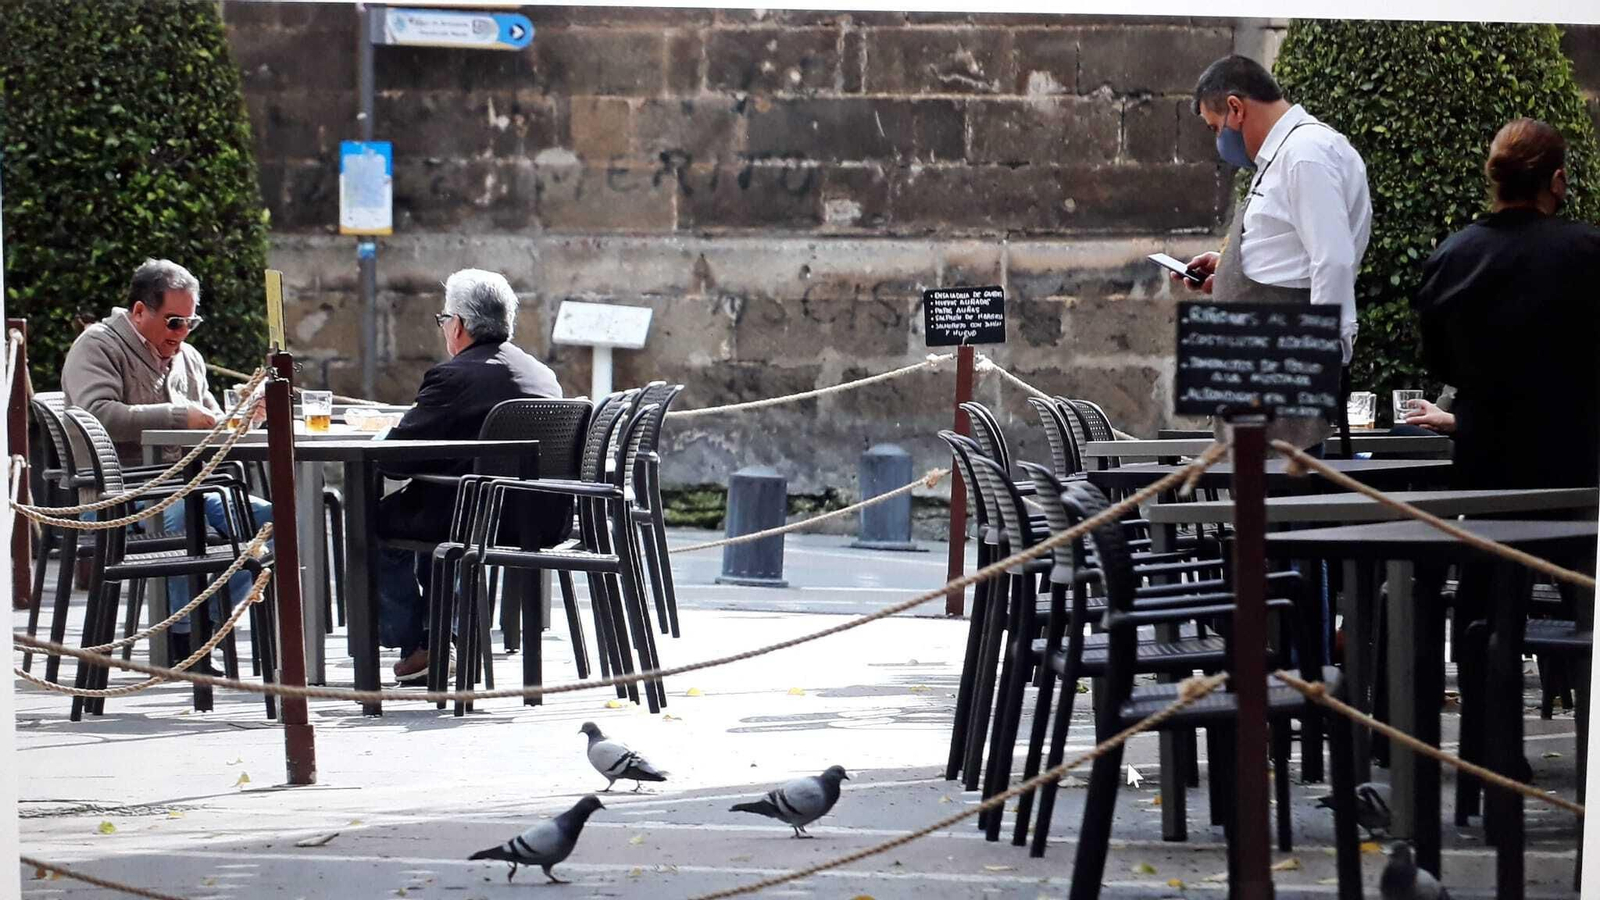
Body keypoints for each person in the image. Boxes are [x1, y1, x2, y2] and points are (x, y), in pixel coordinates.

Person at [60, 259, 273, 666]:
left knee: (277, 522)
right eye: (175, 322)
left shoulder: (188, 357)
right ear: (140, 312)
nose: (183, 333)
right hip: (117, 494)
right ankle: (182, 638)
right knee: (182, 514)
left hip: (185, 484)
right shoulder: (97, 345)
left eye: (192, 322)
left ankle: (199, 623)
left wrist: (247, 415)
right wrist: (179, 415)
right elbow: (96, 413)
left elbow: (211, 424)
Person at [1177, 54, 1373, 450]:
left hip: (1282, 379)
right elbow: (1294, 254)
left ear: (1236, 108)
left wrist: (1318, 360)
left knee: (1279, 505)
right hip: (1263, 378)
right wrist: (1229, 268)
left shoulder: (1305, 155)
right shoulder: (1288, 154)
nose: (1220, 141)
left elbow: (1332, 260)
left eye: (1217, 128)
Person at [377, 268, 562, 683]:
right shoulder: (541, 374)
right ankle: (443, 636)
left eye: (444, 320)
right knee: (436, 513)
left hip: (471, 516)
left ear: (457, 325)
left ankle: (417, 644)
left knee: (373, 521)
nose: (444, 328)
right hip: (539, 517)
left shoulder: (454, 376)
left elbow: (394, 460)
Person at [1408, 118, 1600, 489]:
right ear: (1557, 180)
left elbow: (1438, 359)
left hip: (1482, 457)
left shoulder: (1453, 255)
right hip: (1571, 456)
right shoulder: (1588, 251)